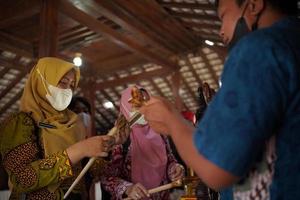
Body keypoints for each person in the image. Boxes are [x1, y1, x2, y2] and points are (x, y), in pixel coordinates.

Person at [139, 0, 300, 199]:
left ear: (253, 5)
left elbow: (216, 167)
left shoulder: (259, 49)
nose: (221, 31)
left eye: (223, 16)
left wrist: (172, 120)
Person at [0, 57, 115, 199]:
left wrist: (110, 143)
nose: (68, 90)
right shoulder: (20, 123)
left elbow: (87, 169)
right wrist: (79, 150)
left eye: (72, 85)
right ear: (41, 81)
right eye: (63, 82)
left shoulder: (74, 123)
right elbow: (23, 178)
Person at [100, 86, 185, 200]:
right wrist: (128, 188)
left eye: (147, 102)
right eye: (137, 104)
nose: (144, 108)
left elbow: (170, 161)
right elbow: (106, 177)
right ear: (126, 107)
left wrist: (175, 169)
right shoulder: (119, 137)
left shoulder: (160, 132)